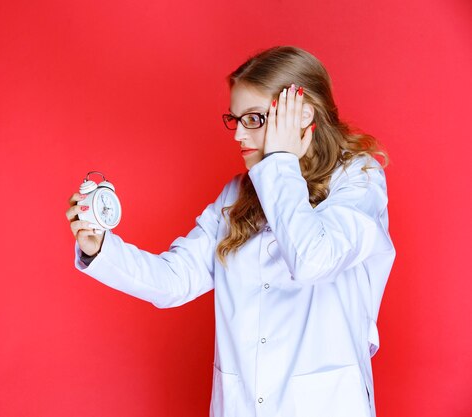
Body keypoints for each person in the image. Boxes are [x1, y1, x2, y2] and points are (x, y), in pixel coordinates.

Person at [66, 46, 395, 417]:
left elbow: (312, 260)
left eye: (253, 118)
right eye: (235, 119)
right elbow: (175, 280)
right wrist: (101, 249)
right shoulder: (238, 194)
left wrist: (281, 162)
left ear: (302, 115)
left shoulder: (358, 181)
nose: (239, 133)